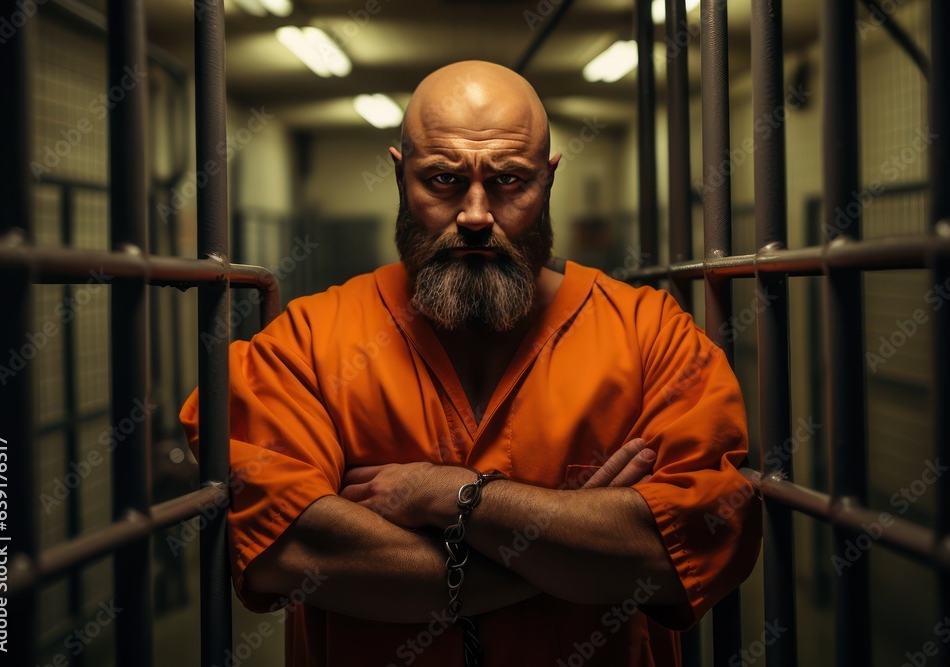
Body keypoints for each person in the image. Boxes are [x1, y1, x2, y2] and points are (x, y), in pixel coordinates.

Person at [180, 60, 760, 667]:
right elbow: (292, 555)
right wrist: (568, 546)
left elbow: (686, 548)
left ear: (550, 180)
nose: (477, 215)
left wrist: (453, 495)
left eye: (510, 180)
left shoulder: (650, 336)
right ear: (400, 177)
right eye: (444, 180)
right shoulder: (306, 343)